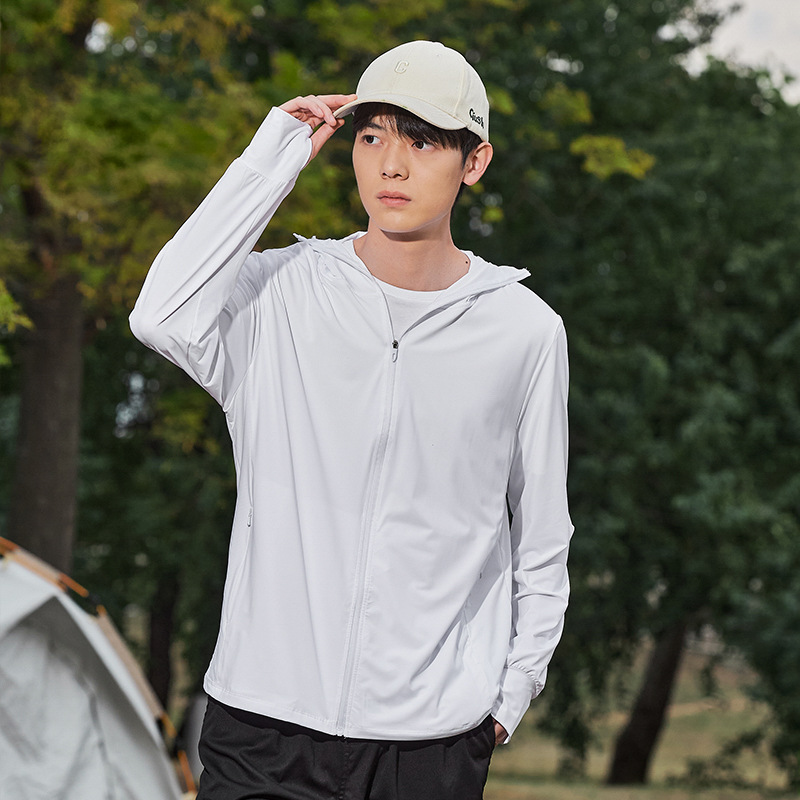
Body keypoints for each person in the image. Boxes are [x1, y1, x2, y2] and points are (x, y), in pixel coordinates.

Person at [130, 40, 573, 800]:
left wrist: (509, 696)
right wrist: (276, 155)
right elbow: (160, 314)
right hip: (261, 726)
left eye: (422, 142)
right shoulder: (278, 295)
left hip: (430, 745)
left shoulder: (524, 331)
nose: (390, 166)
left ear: (474, 162)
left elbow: (541, 534)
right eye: (371, 137)